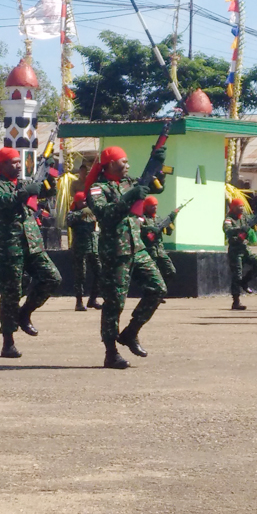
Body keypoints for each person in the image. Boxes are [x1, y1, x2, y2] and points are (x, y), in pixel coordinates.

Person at [86, 145, 168, 369]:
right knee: (114, 303)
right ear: (111, 164)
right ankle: (111, 352)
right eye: (124, 162)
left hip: (137, 247)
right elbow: (105, 215)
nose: (128, 166)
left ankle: (131, 333)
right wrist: (129, 198)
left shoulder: (127, 182)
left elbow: (154, 187)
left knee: (158, 288)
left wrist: (157, 164)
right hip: (115, 252)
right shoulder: (97, 189)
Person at [0, 147, 62, 359]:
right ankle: (8, 341)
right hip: (10, 244)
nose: (18, 166)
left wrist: (49, 173)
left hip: (32, 242)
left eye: (19, 162)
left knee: (52, 278)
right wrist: (22, 194)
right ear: (3, 165)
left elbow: (48, 192)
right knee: (12, 291)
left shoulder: (24, 182)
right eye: (13, 162)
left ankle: (24, 313)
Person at [223, 197, 257, 310]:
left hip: (245, 249)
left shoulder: (244, 217)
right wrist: (239, 229)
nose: (242, 208)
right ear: (233, 207)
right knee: (236, 275)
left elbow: (254, 220)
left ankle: (245, 282)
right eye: (239, 206)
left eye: (242, 206)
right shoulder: (229, 219)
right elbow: (227, 229)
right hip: (235, 250)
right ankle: (236, 301)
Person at [66, 190, 101, 311]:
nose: (85, 203)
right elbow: (69, 221)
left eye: (86, 200)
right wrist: (82, 213)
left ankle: (93, 299)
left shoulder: (91, 212)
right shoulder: (72, 213)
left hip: (93, 247)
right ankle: (79, 302)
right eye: (83, 201)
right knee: (81, 275)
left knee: (100, 273)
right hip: (80, 248)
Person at [140, 196, 177, 290]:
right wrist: (150, 229)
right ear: (146, 206)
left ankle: (160, 290)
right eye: (152, 206)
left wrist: (171, 221)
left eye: (156, 206)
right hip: (149, 251)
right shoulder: (141, 217)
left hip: (160, 250)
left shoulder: (158, 218)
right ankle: (154, 293)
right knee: (152, 276)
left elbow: (168, 232)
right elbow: (138, 229)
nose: (155, 208)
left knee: (171, 271)